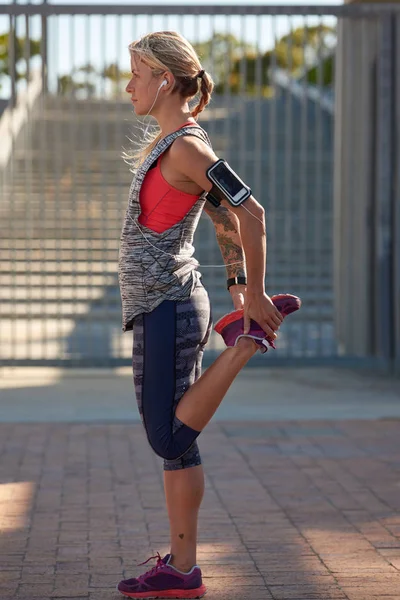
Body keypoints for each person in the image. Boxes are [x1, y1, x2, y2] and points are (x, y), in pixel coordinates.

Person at [117, 31, 300, 599]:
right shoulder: (170, 142)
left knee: (167, 437)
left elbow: (250, 210)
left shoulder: (188, 148)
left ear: (164, 80)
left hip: (167, 303)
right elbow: (223, 219)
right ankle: (182, 568)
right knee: (180, 444)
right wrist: (240, 288)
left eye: (137, 75)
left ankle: (244, 345)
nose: (129, 87)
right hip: (164, 301)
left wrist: (255, 298)